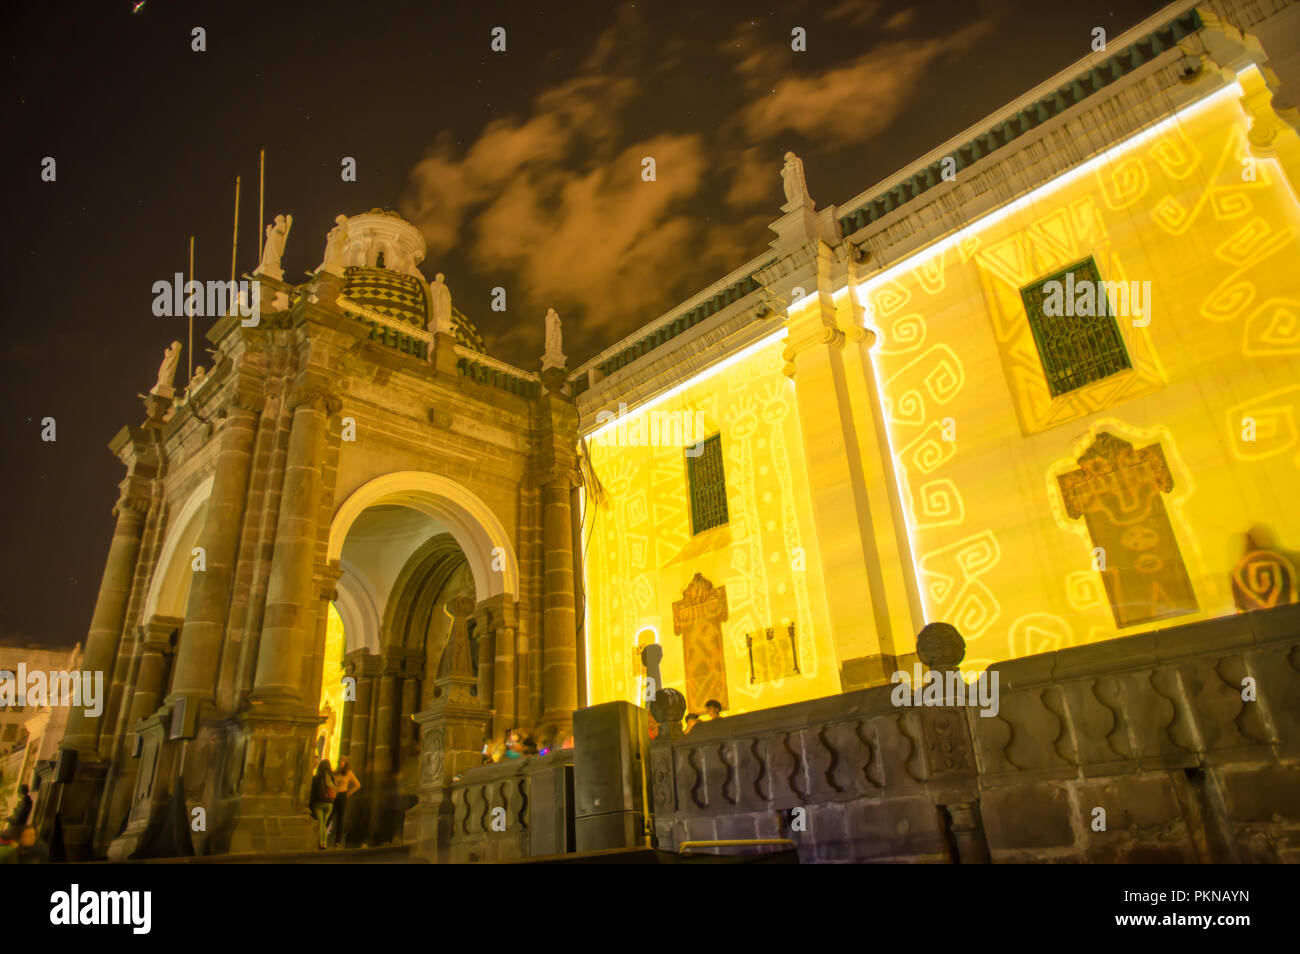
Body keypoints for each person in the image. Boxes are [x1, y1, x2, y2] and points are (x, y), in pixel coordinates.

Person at [330, 757, 361, 848]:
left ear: (346, 763)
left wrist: (348, 793)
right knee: (330, 816)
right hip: (334, 796)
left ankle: (337, 842)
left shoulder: (349, 773)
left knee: (340, 818)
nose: (341, 762)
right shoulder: (336, 773)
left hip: (343, 796)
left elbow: (357, 785)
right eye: (340, 761)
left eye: (343, 761)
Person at [309, 759, 336, 850]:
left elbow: (313, 791)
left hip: (319, 802)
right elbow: (334, 788)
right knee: (324, 824)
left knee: (321, 823)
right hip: (329, 804)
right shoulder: (331, 777)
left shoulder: (318, 777)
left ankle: (321, 843)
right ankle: (325, 843)